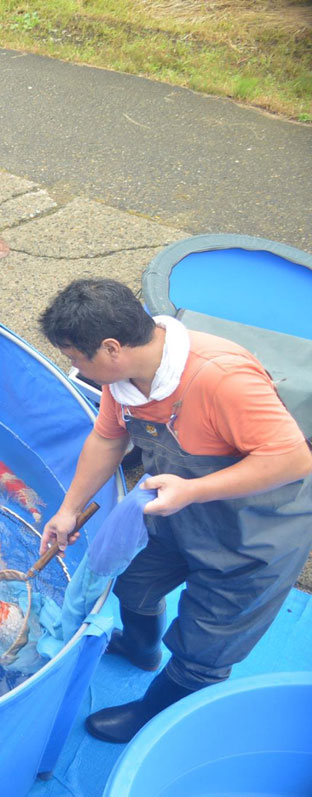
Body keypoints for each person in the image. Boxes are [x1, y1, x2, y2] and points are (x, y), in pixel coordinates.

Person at [38, 278, 312, 744]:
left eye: (74, 357)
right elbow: (108, 436)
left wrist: (193, 490)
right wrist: (69, 509)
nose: (73, 367)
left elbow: (292, 460)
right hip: (176, 505)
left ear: (111, 347)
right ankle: (142, 649)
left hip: (256, 531)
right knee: (132, 580)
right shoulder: (123, 380)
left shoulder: (222, 377)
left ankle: (150, 714)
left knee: (207, 643)